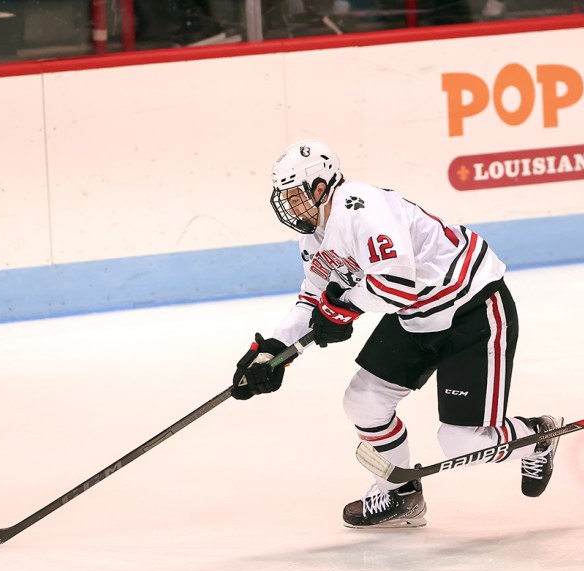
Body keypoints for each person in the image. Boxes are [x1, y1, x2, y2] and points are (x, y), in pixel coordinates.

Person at [230, 139, 563, 528]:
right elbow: (314, 299)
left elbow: (396, 284)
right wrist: (274, 351)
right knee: (363, 401)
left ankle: (536, 434)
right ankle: (401, 494)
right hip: (416, 316)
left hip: (472, 309)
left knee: (462, 442)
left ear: (321, 187)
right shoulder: (314, 237)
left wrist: (344, 308)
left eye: (294, 195)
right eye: (282, 196)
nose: (288, 206)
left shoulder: (360, 206)